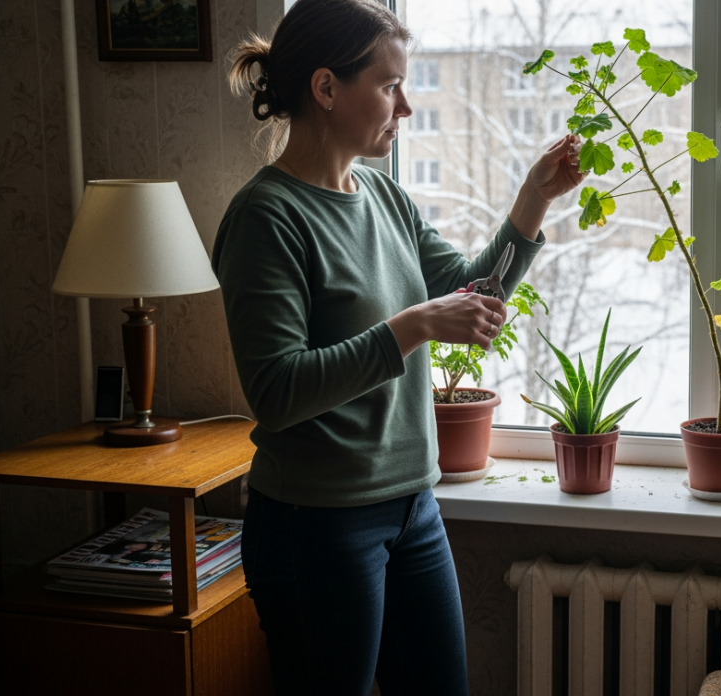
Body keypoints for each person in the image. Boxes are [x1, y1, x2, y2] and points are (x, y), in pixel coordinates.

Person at [213, 1, 584, 693]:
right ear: (327, 89)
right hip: (314, 527)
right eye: (390, 86)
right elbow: (277, 391)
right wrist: (413, 326)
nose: (407, 106)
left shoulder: (386, 198)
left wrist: (534, 198)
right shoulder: (267, 218)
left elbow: (469, 287)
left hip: (413, 507)